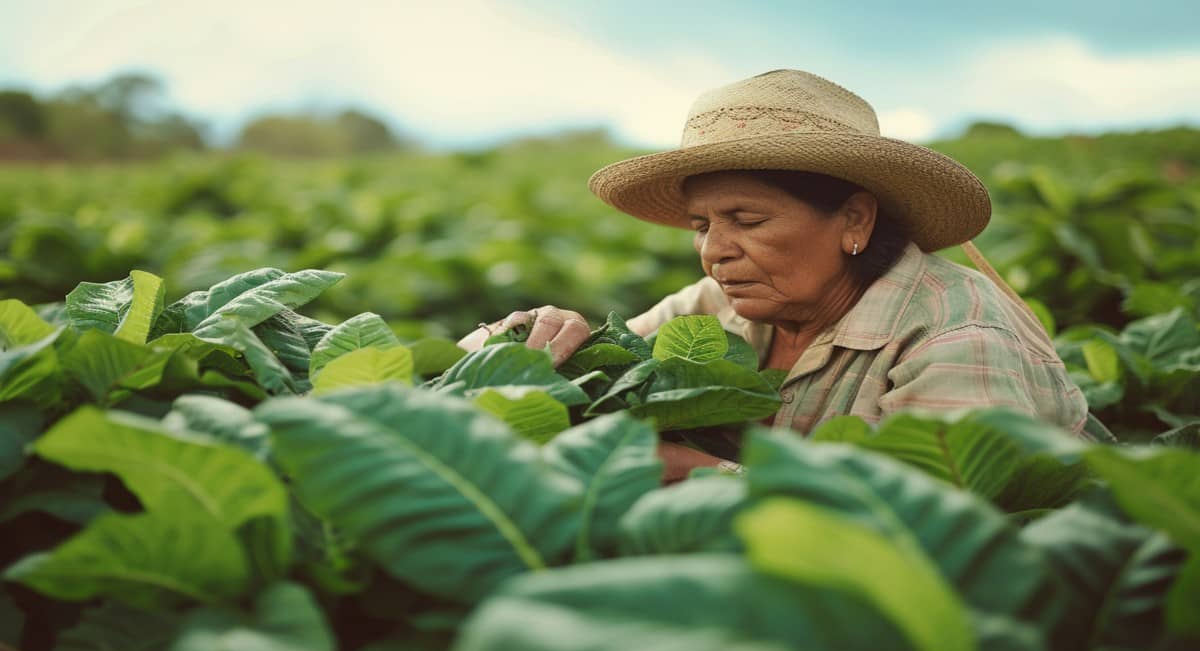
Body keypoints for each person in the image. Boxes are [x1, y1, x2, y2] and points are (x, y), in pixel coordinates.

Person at [458, 69, 1094, 482]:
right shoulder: (719, 305)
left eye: (748, 220)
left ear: (854, 219)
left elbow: (935, 531)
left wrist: (705, 474)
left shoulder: (960, 340)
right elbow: (599, 361)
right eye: (702, 225)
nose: (715, 252)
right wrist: (522, 342)